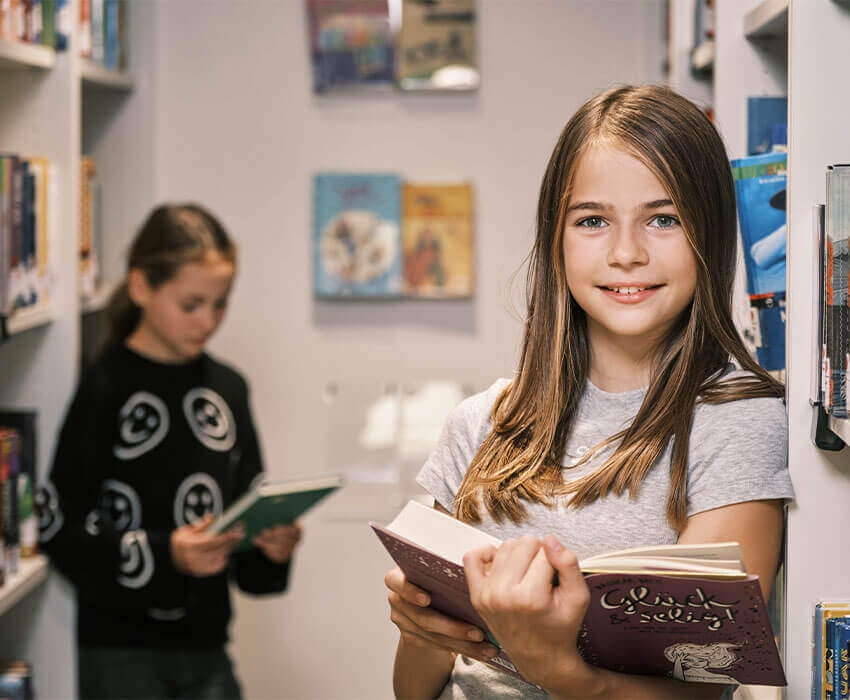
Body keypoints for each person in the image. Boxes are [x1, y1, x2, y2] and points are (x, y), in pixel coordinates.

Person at [384, 84, 793, 699]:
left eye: (663, 219)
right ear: (558, 238)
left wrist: (553, 665)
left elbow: (704, 691)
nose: (626, 253)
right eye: (593, 221)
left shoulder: (738, 420)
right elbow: (413, 691)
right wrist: (422, 630)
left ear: (709, 231)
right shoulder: (481, 423)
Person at [37, 204, 302, 699]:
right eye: (191, 304)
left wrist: (272, 548)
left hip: (208, 649)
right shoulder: (105, 387)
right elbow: (59, 529)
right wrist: (166, 555)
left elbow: (248, 547)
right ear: (141, 288)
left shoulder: (228, 388)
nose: (208, 322)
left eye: (220, 304)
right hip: (118, 655)